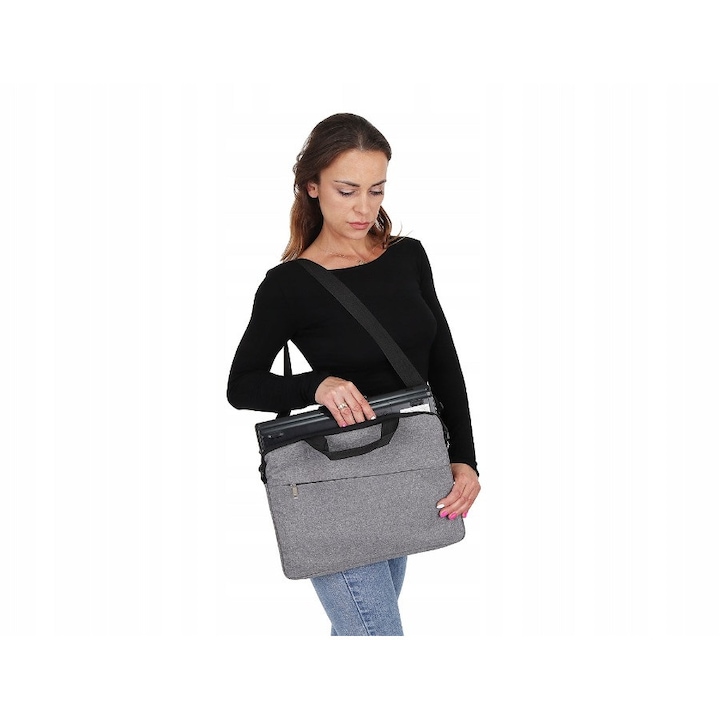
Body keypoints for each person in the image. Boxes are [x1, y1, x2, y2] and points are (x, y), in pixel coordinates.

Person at [226, 113, 481, 635]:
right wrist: (315, 384)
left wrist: (464, 458)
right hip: (333, 489)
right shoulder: (288, 286)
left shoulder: (408, 257)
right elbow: (242, 384)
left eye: (376, 190)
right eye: (347, 191)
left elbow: (444, 364)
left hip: (403, 472)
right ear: (312, 187)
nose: (364, 208)